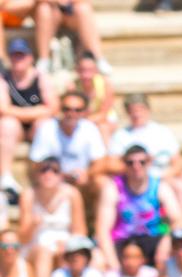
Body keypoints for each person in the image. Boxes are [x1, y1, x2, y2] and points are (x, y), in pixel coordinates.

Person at [96, 142, 181, 265]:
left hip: (153, 239)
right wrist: (113, 264)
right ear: (124, 164)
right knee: (99, 259)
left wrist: (166, 243)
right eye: (130, 163)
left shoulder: (159, 186)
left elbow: (177, 220)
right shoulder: (113, 188)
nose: (136, 166)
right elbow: (103, 229)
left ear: (149, 162)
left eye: (142, 162)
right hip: (122, 241)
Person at [0, 39, 53, 196]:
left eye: (21, 55)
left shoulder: (41, 77)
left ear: (30, 57)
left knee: (45, 124)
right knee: (7, 124)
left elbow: (53, 107)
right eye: (15, 56)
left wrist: (17, 113)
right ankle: (6, 176)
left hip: (36, 126)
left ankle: (44, 173)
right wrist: (37, 111)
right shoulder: (4, 79)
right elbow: (2, 109)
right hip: (16, 128)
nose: (18, 59)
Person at [29, 91, 104, 189]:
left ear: (85, 111)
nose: (71, 114)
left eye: (77, 110)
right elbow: (36, 162)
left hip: (82, 181)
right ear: (60, 109)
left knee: (103, 183)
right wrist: (58, 174)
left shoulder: (90, 128)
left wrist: (87, 173)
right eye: (67, 109)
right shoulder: (47, 128)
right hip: (53, 181)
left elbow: (101, 162)